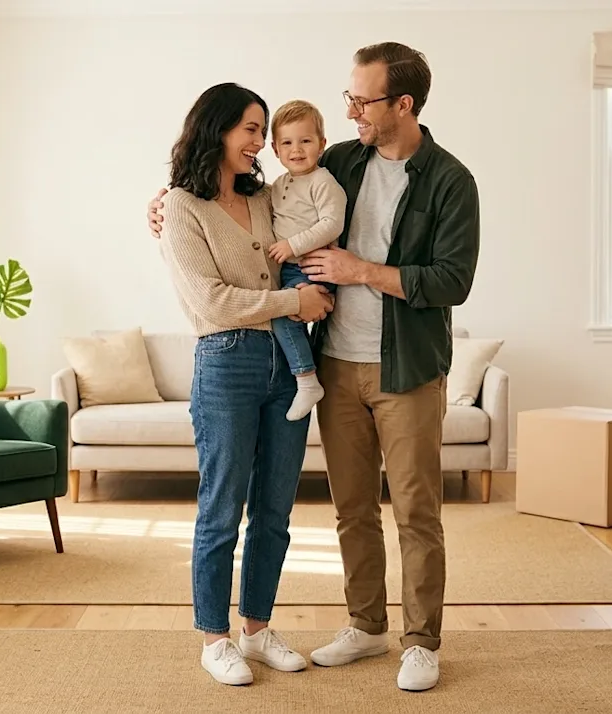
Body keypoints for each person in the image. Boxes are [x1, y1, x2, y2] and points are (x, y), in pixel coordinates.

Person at [146, 43, 480, 692]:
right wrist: (161, 204)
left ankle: (419, 642)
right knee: (348, 509)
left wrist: (361, 273)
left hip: (403, 366)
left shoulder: (449, 179)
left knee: (412, 510)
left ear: (402, 104)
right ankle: (363, 625)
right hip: (324, 362)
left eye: (363, 99)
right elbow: (245, 210)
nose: (350, 109)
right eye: (349, 98)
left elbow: (453, 279)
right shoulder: (340, 162)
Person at [155, 82, 335, 686]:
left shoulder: (265, 198)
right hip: (227, 361)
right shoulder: (181, 206)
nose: (260, 143)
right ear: (217, 128)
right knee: (222, 506)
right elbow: (211, 299)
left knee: (276, 509)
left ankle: (256, 629)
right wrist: (293, 300)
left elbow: (319, 211)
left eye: (264, 131)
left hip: (289, 366)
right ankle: (215, 637)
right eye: (251, 129)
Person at [263, 100, 347, 421]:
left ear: (322, 144)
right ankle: (304, 374)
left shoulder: (323, 182)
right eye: (287, 142)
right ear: (275, 149)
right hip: (287, 268)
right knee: (287, 318)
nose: (296, 150)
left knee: (284, 315)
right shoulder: (279, 185)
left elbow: (331, 223)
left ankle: (307, 380)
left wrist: (292, 245)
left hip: (310, 266)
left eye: (306, 141)